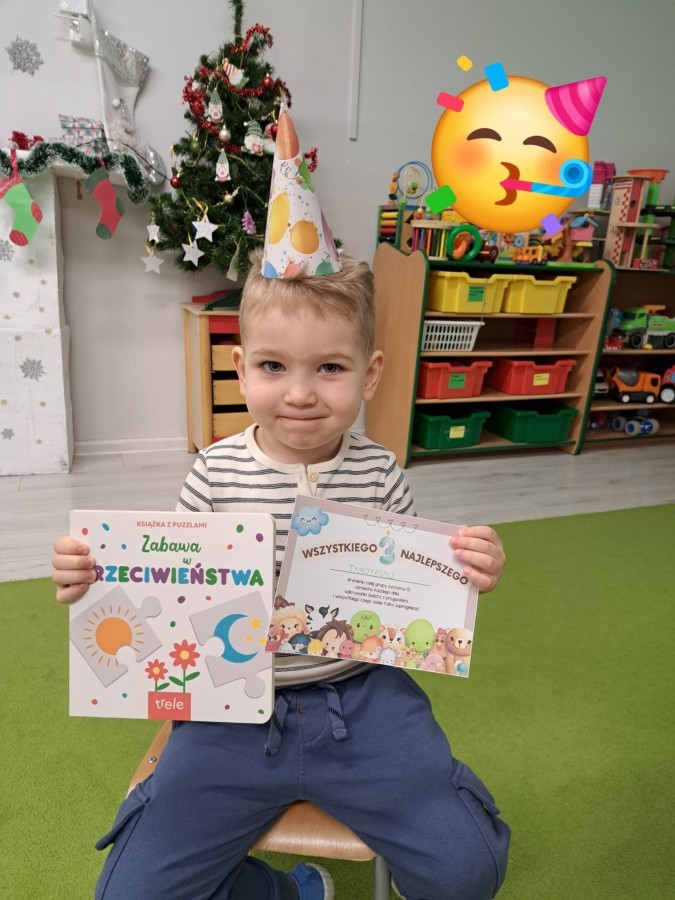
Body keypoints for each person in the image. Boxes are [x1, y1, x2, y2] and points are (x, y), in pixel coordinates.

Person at [51, 109, 509, 900]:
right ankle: (286, 891)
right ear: (241, 368)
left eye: (328, 368)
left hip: (361, 700)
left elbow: (414, 596)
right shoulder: (213, 473)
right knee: (129, 894)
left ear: (368, 375)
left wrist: (468, 569)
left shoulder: (380, 472)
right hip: (229, 706)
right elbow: (166, 591)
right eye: (272, 367)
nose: (299, 394)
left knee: (468, 870)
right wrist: (94, 578)